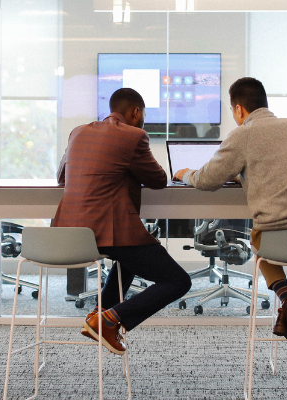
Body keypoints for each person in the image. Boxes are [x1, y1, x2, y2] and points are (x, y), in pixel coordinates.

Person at [173, 77, 287, 352]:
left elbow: (208, 180)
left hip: (274, 234)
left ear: (238, 109)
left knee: (258, 242)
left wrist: (184, 173)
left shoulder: (242, 134)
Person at [53, 88, 192, 355]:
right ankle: (109, 319)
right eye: (144, 116)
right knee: (178, 281)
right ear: (136, 112)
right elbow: (158, 180)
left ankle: (101, 311)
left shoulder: (78, 132)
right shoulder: (134, 135)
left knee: (129, 254)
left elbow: (62, 178)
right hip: (106, 231)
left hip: (68, 233)